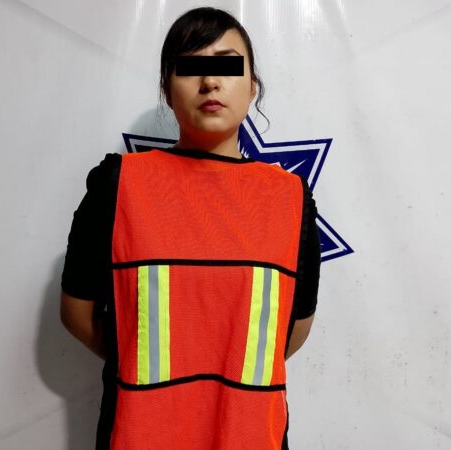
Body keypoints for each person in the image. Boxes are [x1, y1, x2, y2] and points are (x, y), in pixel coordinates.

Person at [60, 6, 321, 449]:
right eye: (190, 66)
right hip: (141, 437)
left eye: (228, 66)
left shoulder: (291, 199)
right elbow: (78, 314)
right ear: (167, 87)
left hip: (250, 437)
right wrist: (141, 360)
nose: (211, 81)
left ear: (252, 86)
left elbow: (290, 331)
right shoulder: (117, 185)